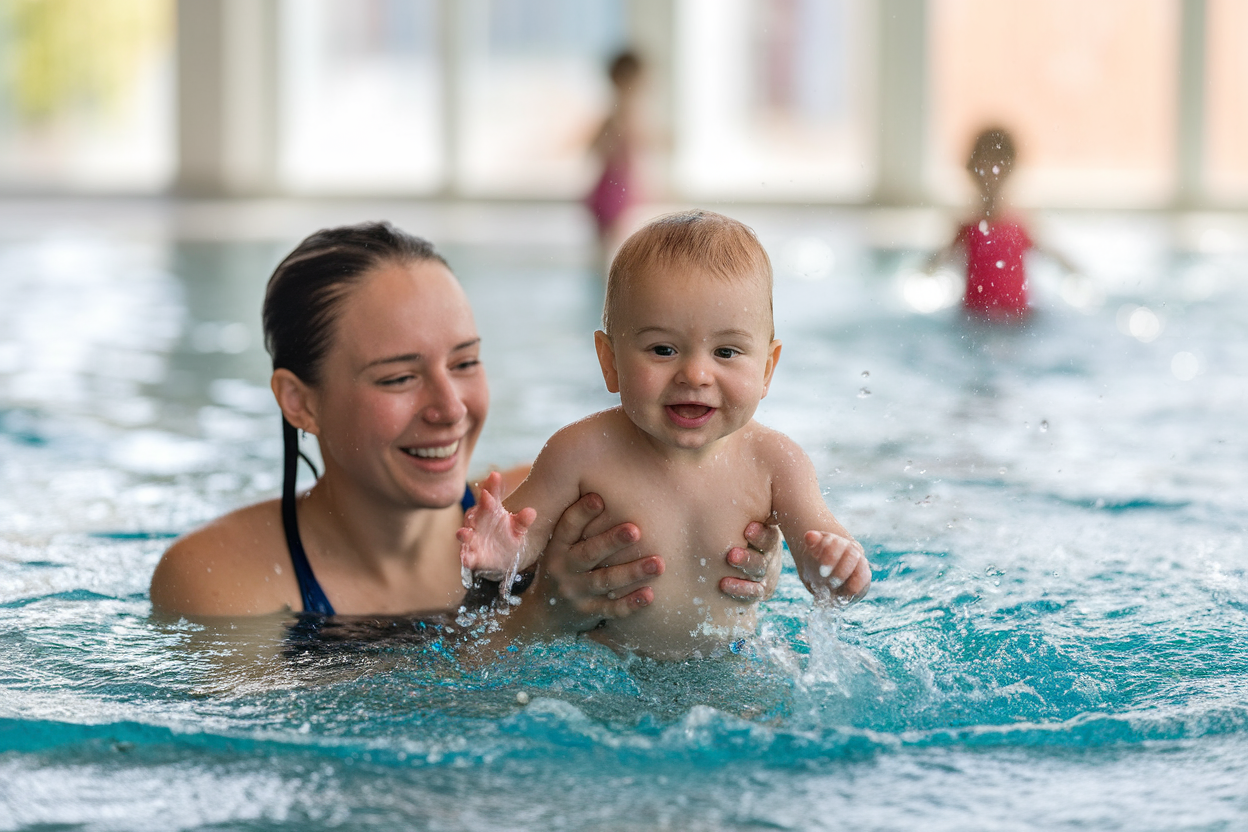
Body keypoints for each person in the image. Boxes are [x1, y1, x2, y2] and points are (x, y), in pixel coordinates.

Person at [149, 221, 781, 628]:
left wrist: (741, 568)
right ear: (300, 402)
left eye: (466, 362)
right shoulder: (221, 582)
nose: (449, 407)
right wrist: (540, 620)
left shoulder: (569, 509)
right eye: (398, 377)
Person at [459, 211, 871, 660]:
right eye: (662, 349)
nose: (695, 373)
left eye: (726, 351)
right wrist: (500, 555)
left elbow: (824, 549)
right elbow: (524, 538)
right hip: (608, 666)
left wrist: (835, 569)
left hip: (730, 665)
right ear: (610, 361)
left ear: (767, 368)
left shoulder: (776, 461)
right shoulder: (580, 452)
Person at [927, 126, 1077, 321]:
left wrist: (1076, 272)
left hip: (1019, 319)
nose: (991, 172)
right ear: (970, 167)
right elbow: (935, 263)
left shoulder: (1022, 224)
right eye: (984, 162)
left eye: (998, 163)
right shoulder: (966, 225)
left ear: (1012, 169)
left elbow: (1054, 256)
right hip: (975, 319)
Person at [585, 50, 645, 257]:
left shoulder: (618, 113)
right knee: (614, 252)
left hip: (616, 186)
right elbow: (598, 148)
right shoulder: (622, 114)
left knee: (609, 252)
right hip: (615, 188)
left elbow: (594, 148)